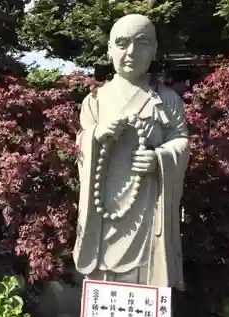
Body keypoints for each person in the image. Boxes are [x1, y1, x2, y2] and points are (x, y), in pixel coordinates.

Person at [73, 14, 190, 290]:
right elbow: (80, 145)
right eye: (122, 43)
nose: (131, 52)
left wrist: (159, 159)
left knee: (146, 268)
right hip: (105, 202)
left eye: (142, 43)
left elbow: (181, 142)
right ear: (109, 49)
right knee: (103, 267)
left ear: (154, 49)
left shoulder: (168, 100)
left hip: (147, 201)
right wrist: (97, 134)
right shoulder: (95, 101)